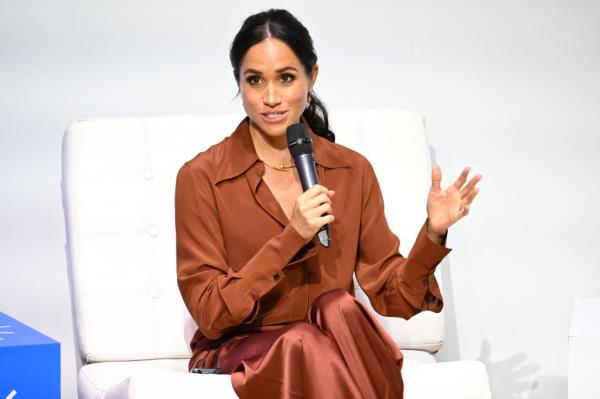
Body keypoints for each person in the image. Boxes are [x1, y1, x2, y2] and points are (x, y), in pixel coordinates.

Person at [175, 8, 481, 399]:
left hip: (330, 339)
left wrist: (433, 233)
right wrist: (291, 236)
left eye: (286, 79)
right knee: (304, 340)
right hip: (241, 347)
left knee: (340, 305)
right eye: (255, 81)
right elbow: (211, 314)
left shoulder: (351, 170)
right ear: (239, 82)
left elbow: (391, 295)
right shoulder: (202, 177)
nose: (271, 98)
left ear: (311, 77)